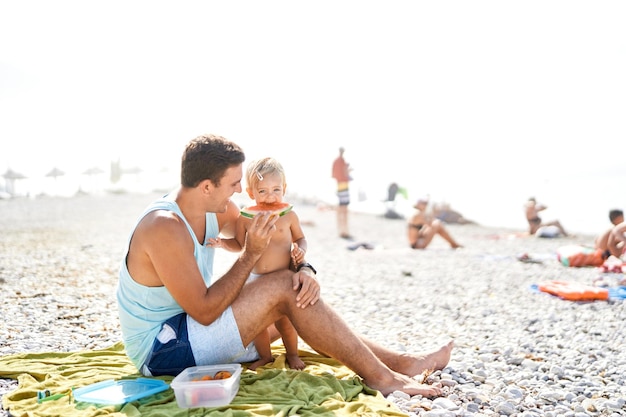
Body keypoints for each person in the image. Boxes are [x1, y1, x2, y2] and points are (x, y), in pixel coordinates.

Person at [116, 134, 453, 398]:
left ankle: (401, 364)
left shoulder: (215, 208)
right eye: (233, 184)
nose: (238, 192)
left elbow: (283, 241)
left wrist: (305, 268)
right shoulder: (165, 227)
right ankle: (382, 378)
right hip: (162, 347)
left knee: (296, 294)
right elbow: (204, 311)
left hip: (189, 327)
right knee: (281, 287)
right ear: (207, 187)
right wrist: (249, 256)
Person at [233, 157, 307, 370]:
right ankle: (265, 356)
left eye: (276, 190)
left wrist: (301, 250)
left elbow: (301, 238)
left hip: (283, 277)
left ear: (284, 188)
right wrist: (221, 243)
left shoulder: (289, 215)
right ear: (250, 194)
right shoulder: (246, 217)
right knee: (258, 324)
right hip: (255, 278)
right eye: (262, 191)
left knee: (286, 322)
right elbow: (238, 244)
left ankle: (292, 355)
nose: (270, 197)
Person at [331, 147, 352, 239]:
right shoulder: (342, 161)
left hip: (339, 184)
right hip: (344, 185)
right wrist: (348, 171)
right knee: (344, 208)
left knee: (340, 207)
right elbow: (345, 173)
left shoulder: (335, 161)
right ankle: (344, 230)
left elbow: (333, 175)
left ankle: (341, 230)